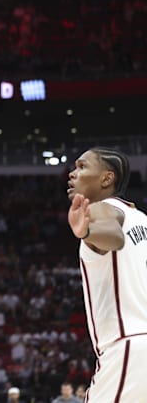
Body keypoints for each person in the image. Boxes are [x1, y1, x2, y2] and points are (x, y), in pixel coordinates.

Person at [67, 147, 147, 401]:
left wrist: (87, 232)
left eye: (82, 167)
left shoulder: (103, 208)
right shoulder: (142, 219)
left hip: (129, 346)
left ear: (106, 178)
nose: (72, 173)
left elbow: (113, 236)